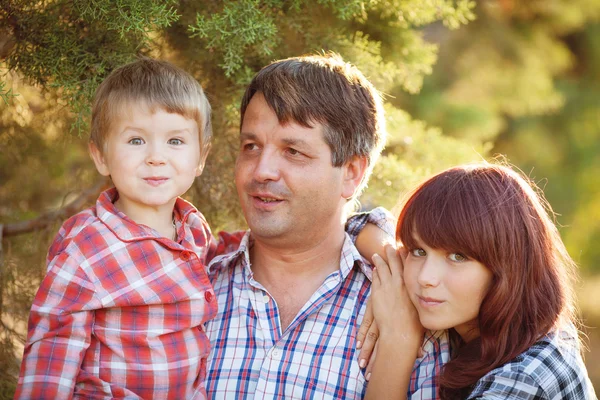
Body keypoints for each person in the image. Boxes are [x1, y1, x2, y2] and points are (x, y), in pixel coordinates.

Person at [203, 53, 446, 399]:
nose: (261, 171)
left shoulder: (409, 312)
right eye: (251, 146)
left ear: (351, 173)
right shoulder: (193, 287)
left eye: (293, 151)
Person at [15, 58, 243, 399]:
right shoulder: (86, 246)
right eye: (136, 140)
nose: (156, 157)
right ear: (101, 156)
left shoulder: (193, 228)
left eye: (175, 141)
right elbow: (51, 350)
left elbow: (224, 257)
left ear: (201, 157)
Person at [366, 162, 597, 399]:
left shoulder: (524, 379)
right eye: (418, 251)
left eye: (457, 257)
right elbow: (360, 226)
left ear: (509, 266)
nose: (426, 278)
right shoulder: (522, 327)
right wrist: (386, 260)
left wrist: (398, 340)